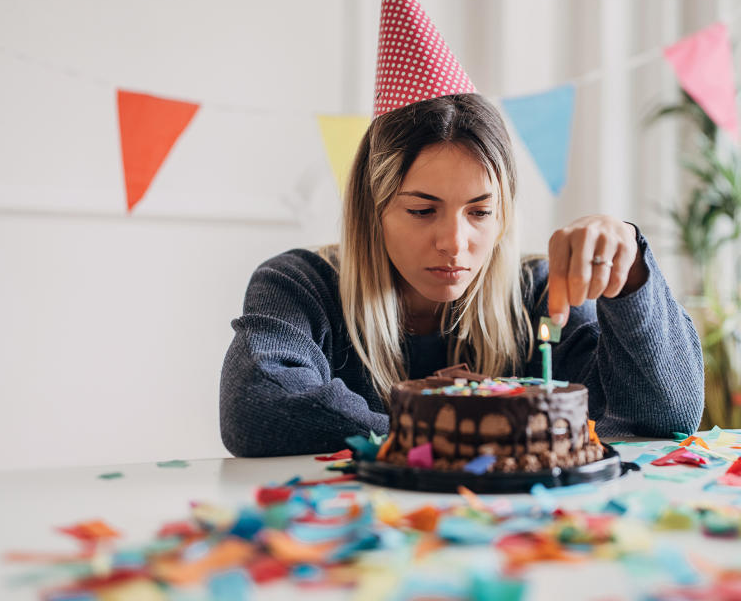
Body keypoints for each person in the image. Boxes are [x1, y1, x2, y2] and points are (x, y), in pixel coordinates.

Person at [219, 93, 704, 457]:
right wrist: (474, 434)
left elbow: (663, 417)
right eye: (423, 210)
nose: (454, 242)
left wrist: (631, 277)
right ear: (373, 211)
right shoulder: (300, 286)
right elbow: (257, 407)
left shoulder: (537, 293)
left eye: (479, 212)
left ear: (504, 215)